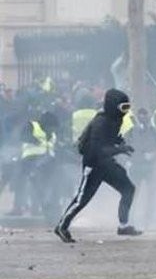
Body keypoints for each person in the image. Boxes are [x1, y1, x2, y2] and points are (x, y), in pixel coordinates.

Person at [55, 89, 141, 243]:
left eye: (127, 107)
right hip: (94, 164)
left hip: (107, 163)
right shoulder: (100, 122)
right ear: (114, 106)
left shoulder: (116, 119)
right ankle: (62, 226)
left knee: (128, 188)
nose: (125, 112)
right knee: (82, 199)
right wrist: (119, 149)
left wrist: (120, 142)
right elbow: (97, 150)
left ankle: (123, 225)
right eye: (123, 108)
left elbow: (110, 139)